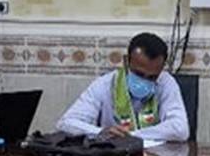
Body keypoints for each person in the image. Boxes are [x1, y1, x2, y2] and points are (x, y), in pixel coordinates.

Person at [57, 32, 190, 143]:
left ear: (161, 69)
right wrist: (101, 132)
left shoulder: (165, 83)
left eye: (151, 77)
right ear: (126, 61)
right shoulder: (105, 84)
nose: (144, 81)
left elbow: (180, 129)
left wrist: (132, 136)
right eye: (139, 74)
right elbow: (66, 123)